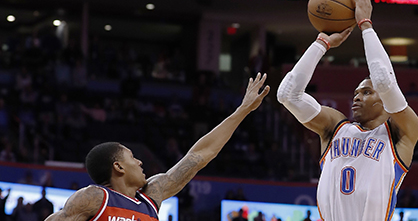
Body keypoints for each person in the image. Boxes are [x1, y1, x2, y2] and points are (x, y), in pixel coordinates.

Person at [276, 0, 418, 220]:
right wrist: (321, 43)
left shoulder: (402, 131)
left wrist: (365, 25)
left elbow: (384, 81)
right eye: (355, 92)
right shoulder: (336, 128)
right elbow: (287, 95)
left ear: (383, 102)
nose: (356, 97)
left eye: (365, 92)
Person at [44, 73, 270, 221]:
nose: (140, 162)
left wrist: (243, 110)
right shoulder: (94, 198)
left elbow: (199, 155)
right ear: (119, 167)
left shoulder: (152, 195)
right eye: (132, 157)